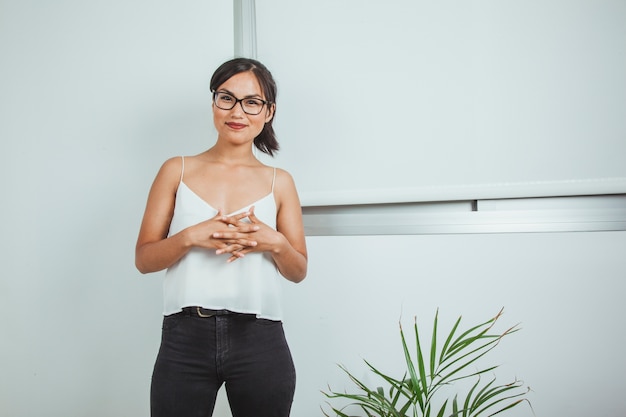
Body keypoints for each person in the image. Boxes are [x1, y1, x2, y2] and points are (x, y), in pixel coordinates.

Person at [135, 57, 308, 417]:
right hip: (184, 337)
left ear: (268, 111)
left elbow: (298, 270)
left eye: (252, 102)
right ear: (214, 102)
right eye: (226, 98)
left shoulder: (281, 181)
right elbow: (144, 260)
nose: (237, 111)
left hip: (260, 338)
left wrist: (272, 241)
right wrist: (190, 237)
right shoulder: (176, 169)